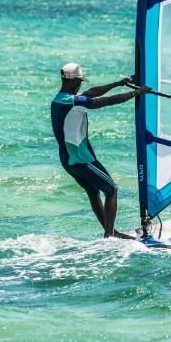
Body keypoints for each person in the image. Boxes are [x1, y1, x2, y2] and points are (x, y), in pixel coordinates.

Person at [50, 62, 149, 239]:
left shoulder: (59, 99)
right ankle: (110, 235)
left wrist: (118, 83)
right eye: (80, 81)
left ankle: (111, 232)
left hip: (67, 160)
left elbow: (91, 93)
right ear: (73, 82)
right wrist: (136, 93)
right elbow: (106, 101)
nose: (81, 85)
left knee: (93, 191)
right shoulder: (74, 102)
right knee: (112, 189)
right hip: (81, 159)